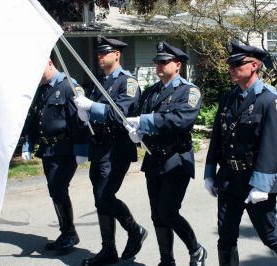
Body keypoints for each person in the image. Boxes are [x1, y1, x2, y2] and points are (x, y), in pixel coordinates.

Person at [203, 41, 277, 266]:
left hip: (255, 180)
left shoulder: (271, 100)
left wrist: (262, 185)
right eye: (230, 64)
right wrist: (209, 171)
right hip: (228, 179)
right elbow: (218, 136)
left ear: (254, 65)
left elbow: (274, 145)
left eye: (237, 64)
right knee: (225, 237)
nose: (232, 68)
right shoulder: (228, 98)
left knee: (269, 235)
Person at [125, 41, 207, 266]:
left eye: (164, 62)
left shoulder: (189, 91)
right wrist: (137, 132)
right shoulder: (152, 92)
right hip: (154, 159)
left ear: (177, 65)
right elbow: (139, 116)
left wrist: (145, 121)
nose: (159, 65)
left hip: (176, 159)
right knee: (156, 214)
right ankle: (166, 260)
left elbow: (181, 121)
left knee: (168, 211)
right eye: (157, 62)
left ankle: (196, 249)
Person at [74, 36, 147, 266]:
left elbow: (120, 113)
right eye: (98, 53)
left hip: (117, 149)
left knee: (106, 196)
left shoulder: (128, 82)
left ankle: (135, 230)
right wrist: (84, 113)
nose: (99, 56)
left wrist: (92, 108)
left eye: (104, 52)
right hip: (99, 148)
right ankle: (108, 249)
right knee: (99, 199)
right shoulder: (99, 82)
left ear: (117, 54)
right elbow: (93, 111)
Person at [21, 58, 88, 253]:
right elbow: (34, 117)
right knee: (55, 190)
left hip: (64, 149)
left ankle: (70, 233)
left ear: (49, 63)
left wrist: (81, 150)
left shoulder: (68, 86)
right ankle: (66, 231)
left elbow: (80, 120)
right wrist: (28, 143)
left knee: (58, 188)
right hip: (49, 150)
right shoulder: (42, 88)